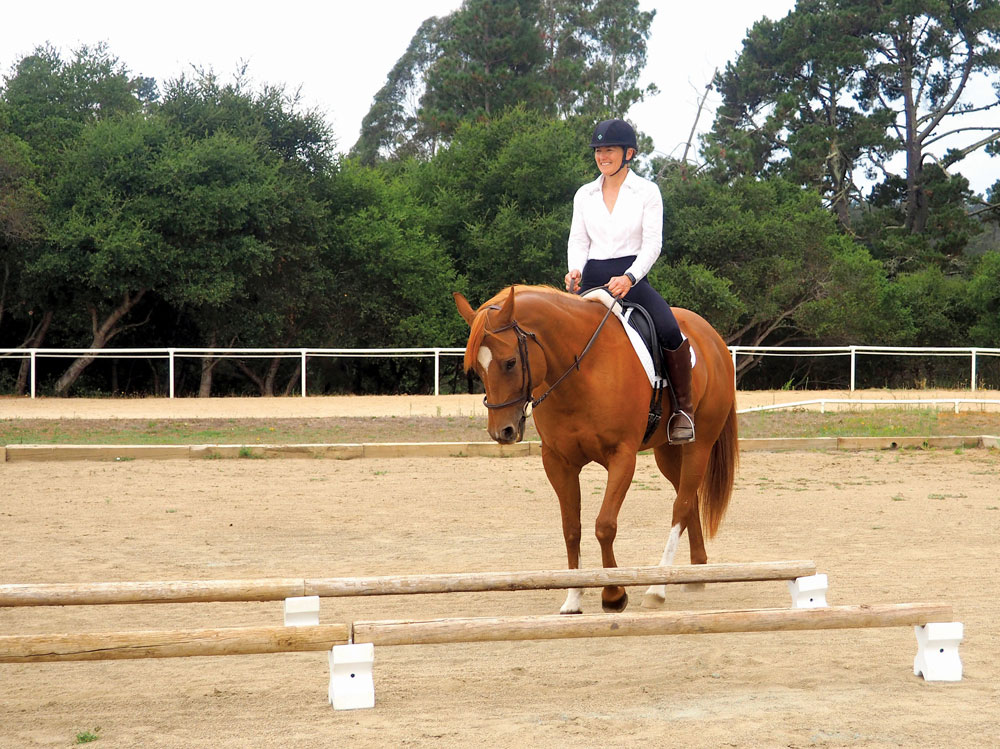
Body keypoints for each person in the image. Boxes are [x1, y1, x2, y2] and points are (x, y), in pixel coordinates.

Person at [564, 118, 695, 444]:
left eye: (609, 150)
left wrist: (630, 277)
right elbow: (578, 241)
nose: (602, 156)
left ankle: (683, 410)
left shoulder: (647, 192)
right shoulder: (585, 194)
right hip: (591, 278)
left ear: (629, 153)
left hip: (632, 278)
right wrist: (574, 269)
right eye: (598, 150)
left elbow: (653, 244)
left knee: (668, 328)